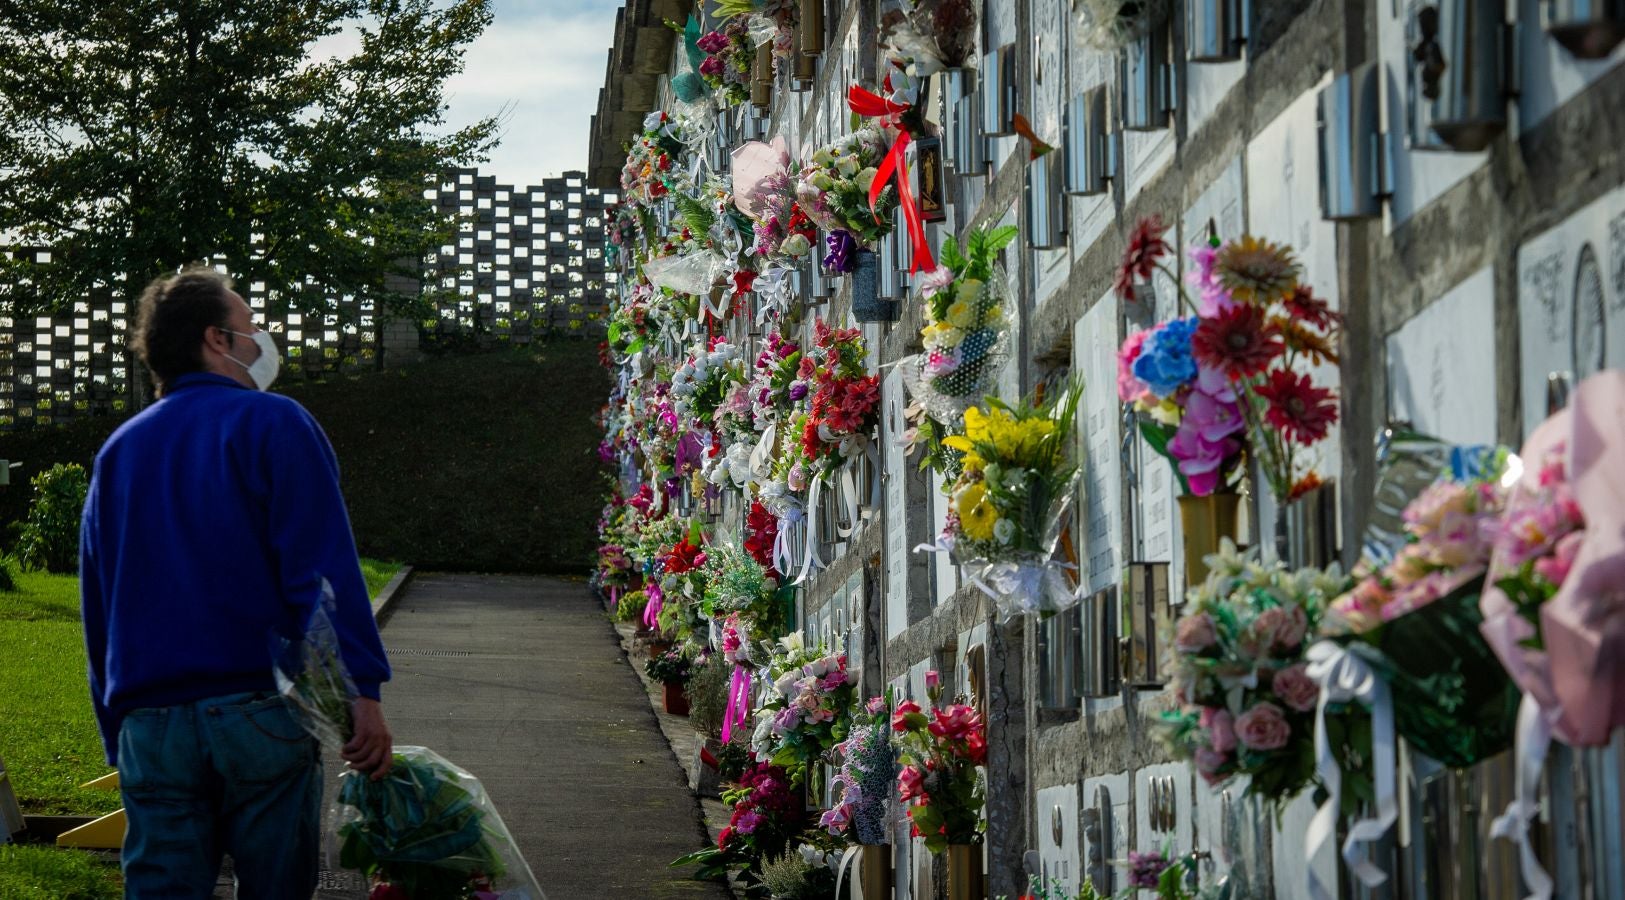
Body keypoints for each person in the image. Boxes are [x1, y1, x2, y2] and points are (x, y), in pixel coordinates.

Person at [79, 267, 394, 898]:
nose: (262, 341)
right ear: (216, 339)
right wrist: (361, 691)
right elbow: (322, 571)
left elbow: (99, 605)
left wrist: (118, 732)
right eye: (252, 327)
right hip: (259, 714)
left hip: (150, 722)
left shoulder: (119, 451)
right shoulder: (275, 424)